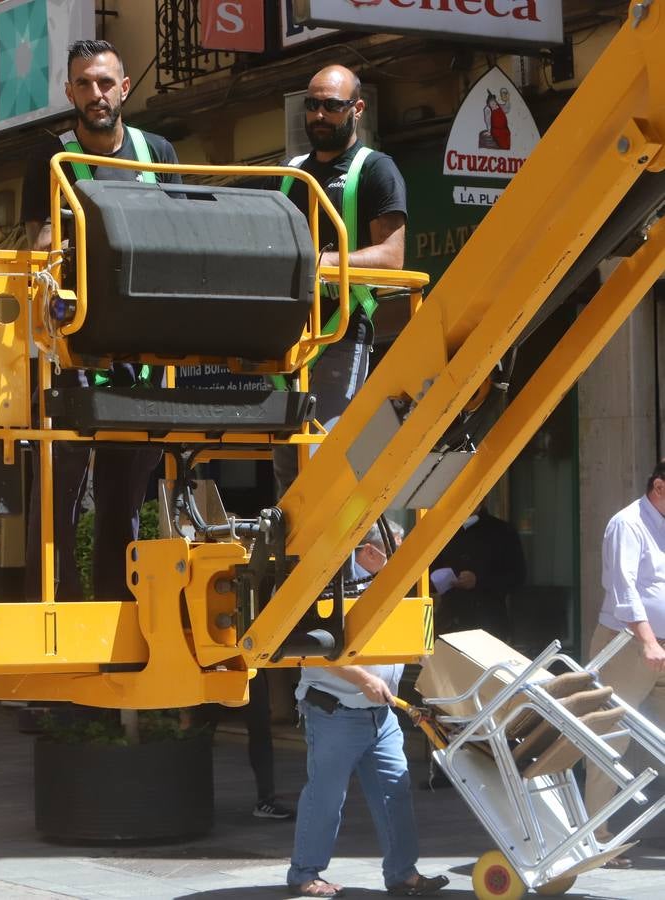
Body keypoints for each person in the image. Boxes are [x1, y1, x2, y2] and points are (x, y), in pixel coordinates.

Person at [19, 38, 181, 602]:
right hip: (69, 348)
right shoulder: (50, 157)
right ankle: (52, 615)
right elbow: (35, 244)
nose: (96, 94)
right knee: (58, 488)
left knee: (123, 497)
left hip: (140, 351)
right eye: (85, 84)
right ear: (69, 92)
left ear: (125, 87)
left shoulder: (157, 151)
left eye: (106, 82)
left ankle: (119, 617)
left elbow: (182, 236)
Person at [287, 519, 449, 898]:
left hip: (381, 714)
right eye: (395, 548)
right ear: (370, 551)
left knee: (395, 790)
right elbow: (312, 649)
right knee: (326, 797)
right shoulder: (329, 584)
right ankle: (304, 875)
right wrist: (363, 680)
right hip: (335, 712)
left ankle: (402, 873)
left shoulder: (389, 585)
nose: (401, 557)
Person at [271, 64, 408, 494]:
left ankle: (340, 563)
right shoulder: (291, 172)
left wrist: (322, 264)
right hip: (288, 342)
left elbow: (392, 256)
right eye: (312, 105)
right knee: (289, 471)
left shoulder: (376, 169)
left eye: (331, 105)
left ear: (357, 109)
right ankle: (295, 563)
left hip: (341, 334)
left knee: (326, 467)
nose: (319, 115)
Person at [583, 460, 665, 864]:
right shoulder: (627, 523)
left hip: (659, 645)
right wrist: (649, 641)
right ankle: (597, 835)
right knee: (609, 735)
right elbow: (624, 589)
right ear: (659, 487)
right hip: (629, 643)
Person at [190, 670, 293, 820]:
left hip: (244, 665)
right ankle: (194, 800)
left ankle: (266, 799)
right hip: (213, 665)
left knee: (260, 730)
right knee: (202, 734)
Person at [430, 504, 525, 637]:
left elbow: (517, 577)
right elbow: (424, 575)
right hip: (449, 622)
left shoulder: (502, 531)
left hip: (488, 624)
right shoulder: (443, 529)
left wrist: (478, 580)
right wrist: (437, 581)